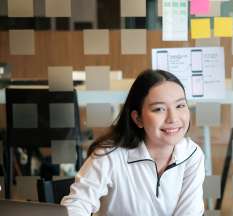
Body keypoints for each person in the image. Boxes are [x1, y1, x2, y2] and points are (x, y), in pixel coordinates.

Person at [61, 69, 205, 216]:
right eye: (159, 109)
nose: (173, 118)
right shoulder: (109, 155)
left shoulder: (192, 155)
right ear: (138, 119)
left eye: (180, 106)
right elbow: (76, 205)